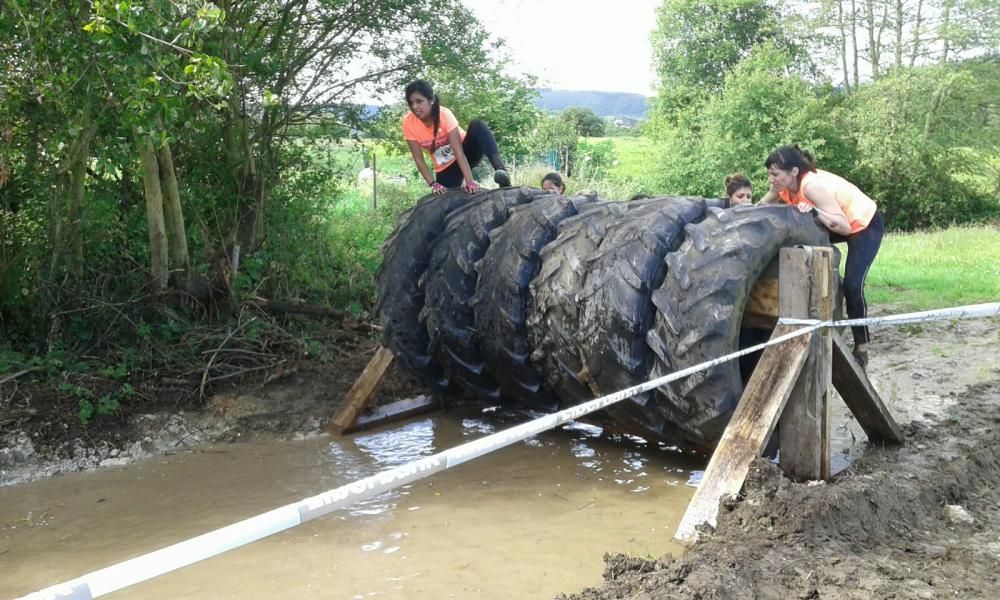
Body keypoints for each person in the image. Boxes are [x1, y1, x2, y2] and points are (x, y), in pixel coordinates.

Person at [759, 144, 883, 367]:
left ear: (793, 172)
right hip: (835, 222)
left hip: (863, 225)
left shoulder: (811, 187)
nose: (771, 179)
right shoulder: (781, 187)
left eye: (775, 174)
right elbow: (762, 206)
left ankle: (861, 347)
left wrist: (815, 211)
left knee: (854, 285)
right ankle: (833, 289)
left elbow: (844, 226)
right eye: (769, 174)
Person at [401, 79, 511, 196]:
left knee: (477, 125)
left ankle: (501, 172)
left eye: (419, 101)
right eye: (411, 103)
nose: (415, 107)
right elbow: (419, 159)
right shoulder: (408, 123)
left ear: (431, 100)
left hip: (466, 151)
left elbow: (458, 152)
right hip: (445, 166)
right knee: (443, 200)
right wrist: (433, 184)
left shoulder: (444, 114)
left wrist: (470, 181)